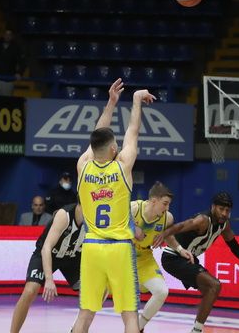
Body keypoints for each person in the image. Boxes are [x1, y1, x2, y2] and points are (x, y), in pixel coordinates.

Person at [72, 80, 156, 333]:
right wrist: (136, 100)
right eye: (115, 144)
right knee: (130, 316)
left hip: (92, 247)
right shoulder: (122, 166)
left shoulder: (83, 166)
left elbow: (97, 135)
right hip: (119, 248)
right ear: (112, 148)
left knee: (85, 315)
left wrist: (111, 103)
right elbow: (133, 131)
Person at [152, 191, 239, 333]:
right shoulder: (203, 220)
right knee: (214, 285)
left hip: (189, 259)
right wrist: (163, 234)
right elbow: (181, 226)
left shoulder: (224, 225)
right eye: (221, 209)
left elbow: (235, 247)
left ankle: (196, 327)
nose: (224, 213)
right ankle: (197, 330)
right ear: (213, 207)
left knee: (210, 290)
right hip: (173, 257)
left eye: (227, 210)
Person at [10, 203, 86, 333]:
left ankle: (77, 328)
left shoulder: (94, 219)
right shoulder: (64, 215)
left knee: (96, 291)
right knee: (30, 291)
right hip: (48, 254)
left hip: (72, 258)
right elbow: (46, 248)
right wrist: (49, 279)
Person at [131, 181, 191, 332]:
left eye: (169, 204)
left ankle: (138, 328)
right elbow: (113, 225)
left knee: (161, 291)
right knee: (102, 295)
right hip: (123, 256)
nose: (167, 208)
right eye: (165, 204)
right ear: (153, 201)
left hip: (144, 257)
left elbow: (168, 236)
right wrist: (133, 228)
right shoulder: (133, 208)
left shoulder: (167, 218)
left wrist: (180, 249)